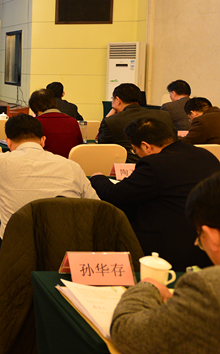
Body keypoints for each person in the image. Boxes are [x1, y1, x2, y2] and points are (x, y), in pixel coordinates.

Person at [0, 114, 99, 298]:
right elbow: (96, 206)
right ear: (43, 140)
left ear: (8, 142)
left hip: (17, 255)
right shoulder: (71, 166)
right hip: (66, 253)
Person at [109, 173, 220, 354]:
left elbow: (127, 333)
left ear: (211, 235)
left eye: (200, 238)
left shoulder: (208, 287)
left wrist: (146, 287)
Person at [90, 117, 220, 270]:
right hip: (209, 244)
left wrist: (98, 178)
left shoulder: (153, 164)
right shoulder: (206, 155)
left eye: (135, 150)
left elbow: (114, 195)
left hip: (170, 248)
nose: (136, 154)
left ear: (146, 146)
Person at [97, 83, 174, 162]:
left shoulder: (111, 121)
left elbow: (102, 150)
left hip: (128, 165)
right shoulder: (164, 115)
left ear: (117, 100)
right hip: (164, 163)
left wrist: (110, 114)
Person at [29, 88, 83, 158]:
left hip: (44, 163)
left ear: (34, 107)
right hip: (70, 163)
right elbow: (80, 148)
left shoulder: (34, 123)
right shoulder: (73, 122)